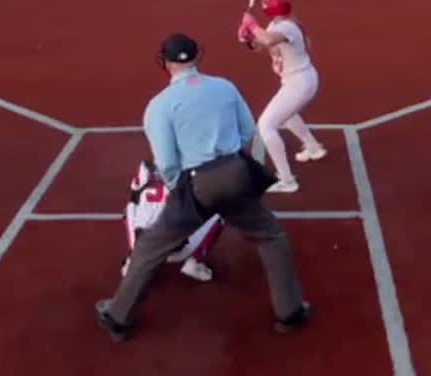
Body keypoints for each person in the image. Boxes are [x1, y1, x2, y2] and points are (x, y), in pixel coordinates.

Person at [94, 33, 310, 342]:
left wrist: (182, 192)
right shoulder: (225, 86)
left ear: (164, 63)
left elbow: (167, 162)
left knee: (151, 247)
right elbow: (249, 130)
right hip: (237, 172)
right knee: (272, 236)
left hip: (196, 182)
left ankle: (118, 317)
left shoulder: (159, 106)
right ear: (198, 56)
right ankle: (290, 313)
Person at [238, 0, 327, 194]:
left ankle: (287, 180)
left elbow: (268, 39)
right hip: (296, 81)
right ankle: (313, 147)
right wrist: (249, 40)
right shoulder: (276, 25)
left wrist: (251, 25)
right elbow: (263, 45)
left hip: (300, 82)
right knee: (287, 114)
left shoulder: (288, 27)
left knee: (266, 125)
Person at [120, 158, 222, 283]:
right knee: (217, 210)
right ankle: (195, 261)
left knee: (130, 208)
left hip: (145, 246)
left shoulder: (144, 168)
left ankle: (132, 258)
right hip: (179, 248)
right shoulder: (190, 171)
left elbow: (133, 197)